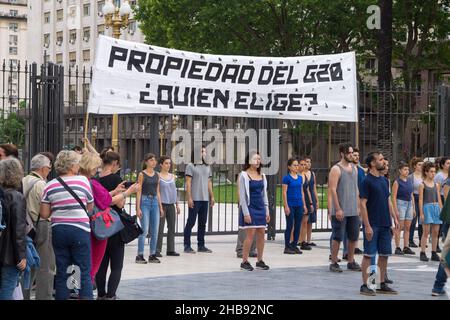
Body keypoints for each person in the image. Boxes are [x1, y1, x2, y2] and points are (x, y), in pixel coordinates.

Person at [40, 150, 94, 300]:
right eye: (77, 163)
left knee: (63, 272)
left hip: (59, 230)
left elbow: (44, 214)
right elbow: (89, 207)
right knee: (83, 271)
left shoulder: (49, 185)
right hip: (80, 230)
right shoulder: (83, 181)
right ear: (71, 166)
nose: (78, 166)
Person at [79, 151, 138, 285]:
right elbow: (107, 201)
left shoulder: (81, 181)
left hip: (73, 227)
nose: (96, 169)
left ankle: (74, 289)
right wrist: (127, 193)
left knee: (75, 265)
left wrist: (114, 191)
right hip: (97, 227)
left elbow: (102, 197)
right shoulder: (90, 182)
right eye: (95, 167)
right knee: (92, 266)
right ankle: (85, 290)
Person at [359, 152, 399, 296]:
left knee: (384, 254)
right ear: (372, 164)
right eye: (381, 159)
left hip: (385, 223)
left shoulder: (384, 180)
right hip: (373, 224)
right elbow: (362, 204)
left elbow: (387, 201)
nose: (383, 161)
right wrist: (367, 225)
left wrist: (393, 218)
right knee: (369, 255)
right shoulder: (366, 181)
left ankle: (381, 283)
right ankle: (366, 285)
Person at [95, 151, 128, 300]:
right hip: (113, 226)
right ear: (114, 164)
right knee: (116, 265)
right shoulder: (116, 179)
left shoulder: (94, 180)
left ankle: (101, 294)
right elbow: (120, 204)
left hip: (99, 227)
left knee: (101, 264)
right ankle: (111, 295)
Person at [21, 154, 54, 300]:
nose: (49, 170)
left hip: (24, 226)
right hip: (41, 225)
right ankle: (43, 297)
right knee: (45, 266)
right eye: (49, 168)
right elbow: (46, 209)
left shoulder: (22, 180)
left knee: (27, 265)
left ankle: (22, 296)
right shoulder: (41, 184)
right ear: (43, 168)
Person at [328, 143, 361, 272]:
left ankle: (351, 260)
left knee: (353, 236)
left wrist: (358, 206)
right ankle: (334, 261)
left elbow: (356, 188)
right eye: (349, 152)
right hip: (341, 210)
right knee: (338, 236)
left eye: (352, 152)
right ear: (342, 153)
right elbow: (333, 189)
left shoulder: (355, 168)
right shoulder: (336, 169)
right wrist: (337, 208)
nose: (351, 155)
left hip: (353, 209)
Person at [238, 152, 270, 271]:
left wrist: (267, 210)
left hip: (260, 207)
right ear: (249, 161)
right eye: (255, 159)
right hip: (250, 207)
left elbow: (264, 194)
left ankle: (260, 260)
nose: (258, 161)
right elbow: (242, 197)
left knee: (261, 233)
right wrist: (246, 213)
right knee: (250, 235)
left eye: (259, 159)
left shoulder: (262, 175)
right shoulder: (244, 175)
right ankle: (244, 261)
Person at [0, 158, 27, 300]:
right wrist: (21, 255)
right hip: (9, 255)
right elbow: (18, 230)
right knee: (7, 290)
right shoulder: (16, 197)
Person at [184, 146, 215, 254]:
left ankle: (201, 245)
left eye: (205, 151)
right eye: (202, 151)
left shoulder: (207, 166)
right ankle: (187, 245)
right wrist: (189, 198)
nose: (204, 153)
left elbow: (209, 182)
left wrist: (212, 196)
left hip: (204, 199)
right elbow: (188, 183)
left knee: (202, 223)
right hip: (195, 199)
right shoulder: (190, 166)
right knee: (191, 222)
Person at [135, 153, 163, 263]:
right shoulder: (142, 174)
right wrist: (138, 208)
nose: (154, 162)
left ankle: (152, 254)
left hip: (155, 202)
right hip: (145, 202)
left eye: (154, 160)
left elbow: (158, 191)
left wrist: (160, 207)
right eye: (151, 160)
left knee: (155, 230)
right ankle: (140, 255)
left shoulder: (157, 175)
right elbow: (139, 191)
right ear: (146, 162)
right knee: (144, 229)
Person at [156, 156, 181, 257]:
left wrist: (177, 205)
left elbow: (174, 191)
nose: (168, 165)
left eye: (169, 163)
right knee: (160, 228)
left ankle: (171, 249)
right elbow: (157, 191)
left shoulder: (172, 176)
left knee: (171, 228)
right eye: (166, 163)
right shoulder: (157, 176)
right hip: (162, 205)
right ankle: (157, 250)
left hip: (171, 205)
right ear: (161, 165)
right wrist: (160, 206)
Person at [419, 162, 443, 262]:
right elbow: (420, 199)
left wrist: (441, 209)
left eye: (434, 172)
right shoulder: (422, 184)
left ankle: (434, 252)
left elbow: (438, 198)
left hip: (436, 207)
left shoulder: (437, 184)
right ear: (426, 172)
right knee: (426, 232)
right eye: (431, 172)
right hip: (427, 207)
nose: (433, 173)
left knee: (436, 232)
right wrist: (421, 213)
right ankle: (423, 252)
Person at [282, 158, 307, 254]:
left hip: (299, 204)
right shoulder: (286, 178)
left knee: (298, 226)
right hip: (290, 204)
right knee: (289, 225)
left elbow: (301, 192)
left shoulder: (300, 178)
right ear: (289, 167)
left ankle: (294, 245)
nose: (297, 167)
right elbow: (284, 192)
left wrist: (304, 205)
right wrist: (286, 206)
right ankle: (287, 247)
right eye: (294, 165)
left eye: (297, 165)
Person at [392, 162, 415, 255]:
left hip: (409, 203)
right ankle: (397, 247)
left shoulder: (409, 181)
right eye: (405, 169)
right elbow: (393, 196)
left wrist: (413, 208)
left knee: (407, 227)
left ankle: (406, 246)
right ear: (400, 171)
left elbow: (411, 194)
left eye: (408, 169)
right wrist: (395, 209)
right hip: (400, 203)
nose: (407, 171)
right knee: (399, 227)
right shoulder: (397, 182)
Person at [408, 157, 424, 248]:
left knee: (422, 220)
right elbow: (410, 191)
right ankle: (410, 240)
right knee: (414, 220)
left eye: (422, 165)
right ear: (414, 166)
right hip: (414, 198)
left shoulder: (424, 176)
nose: (421, 166)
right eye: (419, 165)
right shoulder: (411, 177)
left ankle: (422, 240)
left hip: (423, 198)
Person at [298, 157, 313, 251]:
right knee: (297, 222)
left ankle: (303, 241)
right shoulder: (297, 176)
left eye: (305, 164)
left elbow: (307, 190)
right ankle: (295, 241)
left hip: (306, 200)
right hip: (299, 200)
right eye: (301, 164)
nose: (303, 166)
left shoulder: (305, 175)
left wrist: (311, 203)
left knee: (305, 222)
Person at [304, 157, 319, 247]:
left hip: (312, 198)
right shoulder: (301, 174)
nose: (308, 164)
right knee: (304, 220)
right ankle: (302, 240)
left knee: (311, 221)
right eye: (306, 162)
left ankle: (309, 240)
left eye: (310, 162)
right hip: (304, 197)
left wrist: (316, 201)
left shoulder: (312, 173)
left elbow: (314, 188)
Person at [435, 157, 449, 242]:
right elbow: (437, 190)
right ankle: (442, 234)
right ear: (443, 165)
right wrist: (440, 203)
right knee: (443, 218)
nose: (449, 165)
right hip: (442, 197)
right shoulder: (439, 175)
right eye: (447, 163)